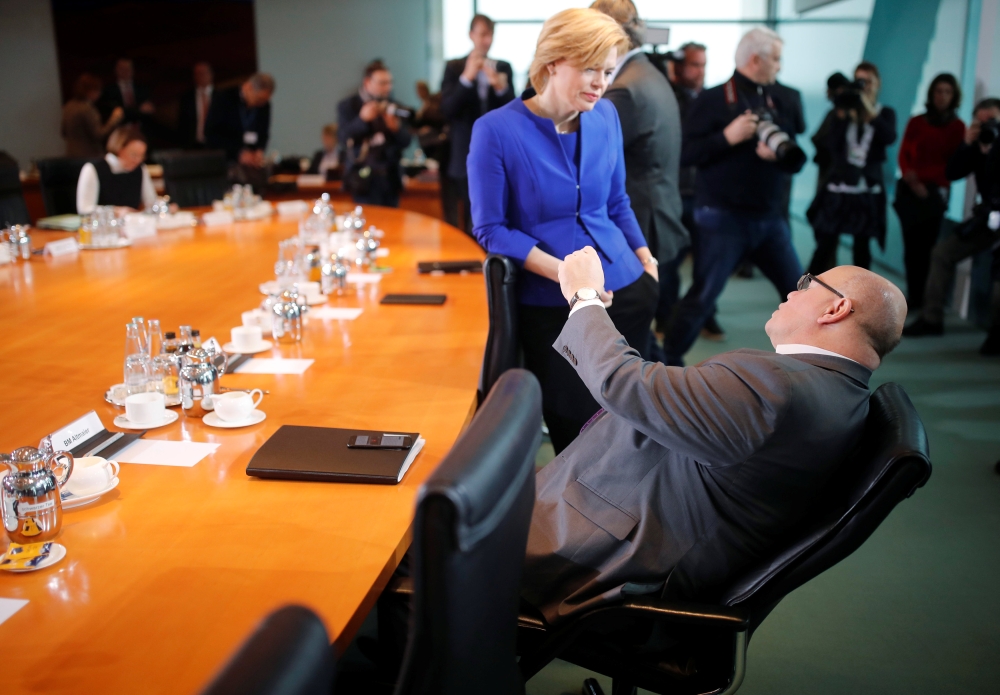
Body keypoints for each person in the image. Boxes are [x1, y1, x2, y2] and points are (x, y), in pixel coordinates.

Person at [521, 248, 907, 623]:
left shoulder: (779, 388)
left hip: (604, 559)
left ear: (836, 309)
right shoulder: (839, 394)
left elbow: (623, 383)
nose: (792, 291)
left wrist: (583, 296)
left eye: (809, 283)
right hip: (635, 522)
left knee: (464, 524)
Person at [468, 8, 660, 454]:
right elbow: (492, 229)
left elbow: (616, 202)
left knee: (635, 424)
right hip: (553, 302)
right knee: (576, 430)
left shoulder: (606, 116)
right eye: (590, 67)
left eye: (608, 70)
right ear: (553, 61)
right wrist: (567, 278)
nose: (600, 82)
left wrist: (648, 261)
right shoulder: (495, 130)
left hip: (628, 290)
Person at [664, 27, 806, 366]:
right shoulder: (711, 100)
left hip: (770, 218)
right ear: (755, 59)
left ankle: (814, 371)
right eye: (776, 58)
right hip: (722, 217)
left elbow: (795, 154)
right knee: (702, 298)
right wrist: (727, 137)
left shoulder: (787, 97)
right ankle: (665, 365)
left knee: (802, 295)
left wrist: (778, 156)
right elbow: (685, 154)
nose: (780, 65)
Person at [590, 0, 688, 360]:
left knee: (634, 342)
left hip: (643, 222)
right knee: (644, 337)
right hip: (660, 213)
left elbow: (592, 163)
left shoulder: (624, 91)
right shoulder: (648, 73)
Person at [903, 97, 1000, 354]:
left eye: (991, 121)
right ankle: (931, 318)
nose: (986, 127)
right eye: (980, 122)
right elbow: (953, 173)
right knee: (942, 253)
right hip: (987, 217)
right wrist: (969, 145)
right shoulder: (979, 145)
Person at [807, 62, 897, 274]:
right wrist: (842, 114)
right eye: (858, 80)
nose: (862, 86)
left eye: (867, 81)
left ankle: (862, 299)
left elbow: (889, 138)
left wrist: (868, 110)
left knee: (862, 247)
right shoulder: (844, 111)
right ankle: (806, 294)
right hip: (840, 186)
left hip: (866, 188)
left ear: (876, 84)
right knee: (825, 243)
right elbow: (831, 144)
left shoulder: (884, 113)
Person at [670, 41, 726, 341]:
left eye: (703, 64)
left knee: (708, 262)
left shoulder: (709, 100)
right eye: (694, 64)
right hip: (674, 193)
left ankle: (707, 316)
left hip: (705, 193)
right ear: (678, 67)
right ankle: (667, 319)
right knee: (670, 263)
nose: (700, 71)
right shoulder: (667, 98)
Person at [894, 73, 965, 311]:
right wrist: (910, 177)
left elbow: (954, 164)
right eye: (938, 91)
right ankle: (913, 297)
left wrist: (928, 182)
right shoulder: (917, 121)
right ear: (931, 93)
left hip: (935, 193)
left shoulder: (957, 126)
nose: (942, 96)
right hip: (910, 189)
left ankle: (927, 299)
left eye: (947, 92)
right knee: (910, 249)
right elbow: (904, 153)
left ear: (953, 96)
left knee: (927, 249)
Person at [440, 14, 514, 233]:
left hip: (497, 152)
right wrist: (467, 78)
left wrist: (501, 88)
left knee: (495, 214)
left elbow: (514, 113)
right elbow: (447, 110)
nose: (486, 40)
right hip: (464, 153)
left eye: (490, 35)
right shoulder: (454, 67)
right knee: (469, 217)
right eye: (482, 34)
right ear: (471, 35)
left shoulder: (502, 67)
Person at [338, 60, 413, 208]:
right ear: (367, 82)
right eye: (382, 83)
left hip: (390, 179)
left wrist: (395, 129)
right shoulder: (349, 106)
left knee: (392, 226)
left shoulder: (393, 106)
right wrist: (362, 120)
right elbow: (343, 138)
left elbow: (407, 141)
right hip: (363, 180)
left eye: (390, 83)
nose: (388, 87)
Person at [206, 72, 275, 192]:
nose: (261, 103)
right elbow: (212, 134)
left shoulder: (264, 105)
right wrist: (238, 153)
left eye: (264, 100)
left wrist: (259, 150)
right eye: (259, 99)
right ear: (248, 87)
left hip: (251, 169)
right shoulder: (223, 98)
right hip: (226, 163)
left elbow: (264, 133)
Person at [76, 126, 156, 213]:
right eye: (134, 155)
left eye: (141, 156)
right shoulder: (93, 169)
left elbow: (150, 202)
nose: (138, 160)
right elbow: (84, 209)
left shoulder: (140, 169)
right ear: (119, 149)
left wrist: (164, 207)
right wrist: (115, 211)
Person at [62, 74, 124, 158]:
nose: (99, 94)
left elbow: (63, 132)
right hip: (89, 155)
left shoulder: (69, 106)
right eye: (98, 90)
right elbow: (99, 135)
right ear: (90, 91)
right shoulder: (87, 109)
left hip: (72, 153)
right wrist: (114, 119)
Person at [97, 58, 154, 124]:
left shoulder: (142, 88)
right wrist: (139, 110)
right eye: (122, 68)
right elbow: (116, 112)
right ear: (116, 70)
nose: (126, 71)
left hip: (141, 127)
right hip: (120, 127)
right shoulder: (109, 91)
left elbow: (148, 109)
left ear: (133, 70)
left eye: (128, 68)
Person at [178, 62, 215, 149]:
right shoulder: (187, 98)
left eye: (204, 72)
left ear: (211, 74)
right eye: (198, 73)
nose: (201, 76)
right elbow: (182, 125)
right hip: (193, 146)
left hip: (215, 145)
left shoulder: (221, 97)